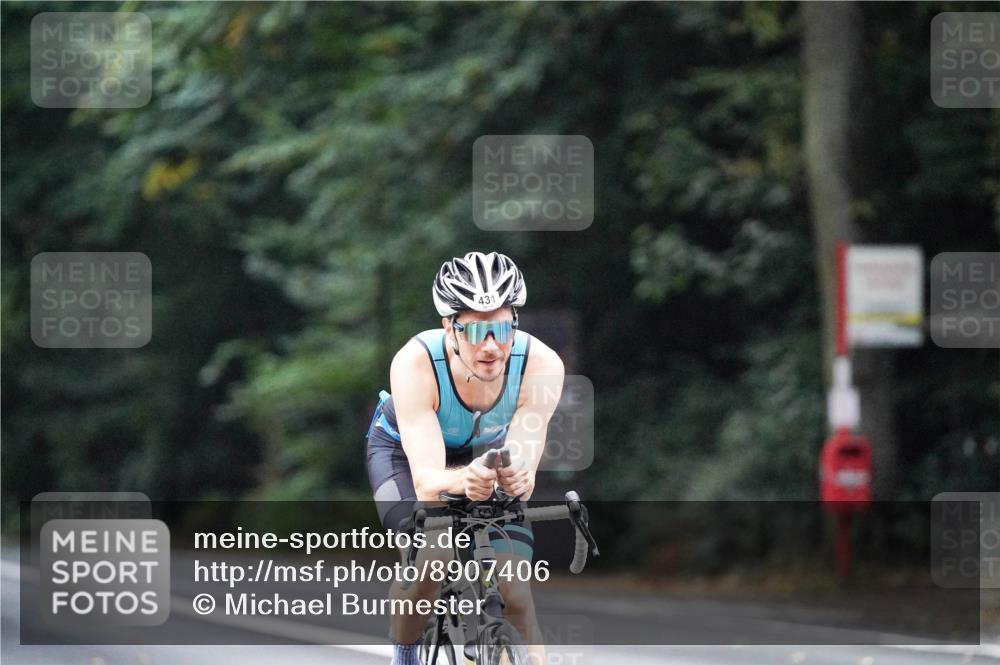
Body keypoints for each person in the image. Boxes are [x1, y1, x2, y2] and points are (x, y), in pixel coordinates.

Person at [365, 251, 565, 665]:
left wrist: (519, 478)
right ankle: (405, 656)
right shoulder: (415, 362)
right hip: (405, 453)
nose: (491, 346)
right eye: (475, 332)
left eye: (502, 328)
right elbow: (426, 480)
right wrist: (463, 482)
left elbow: (524, 452)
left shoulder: (542, 365)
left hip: (482, 456)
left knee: (516, 595)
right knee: (430, 565)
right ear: (449, 329)